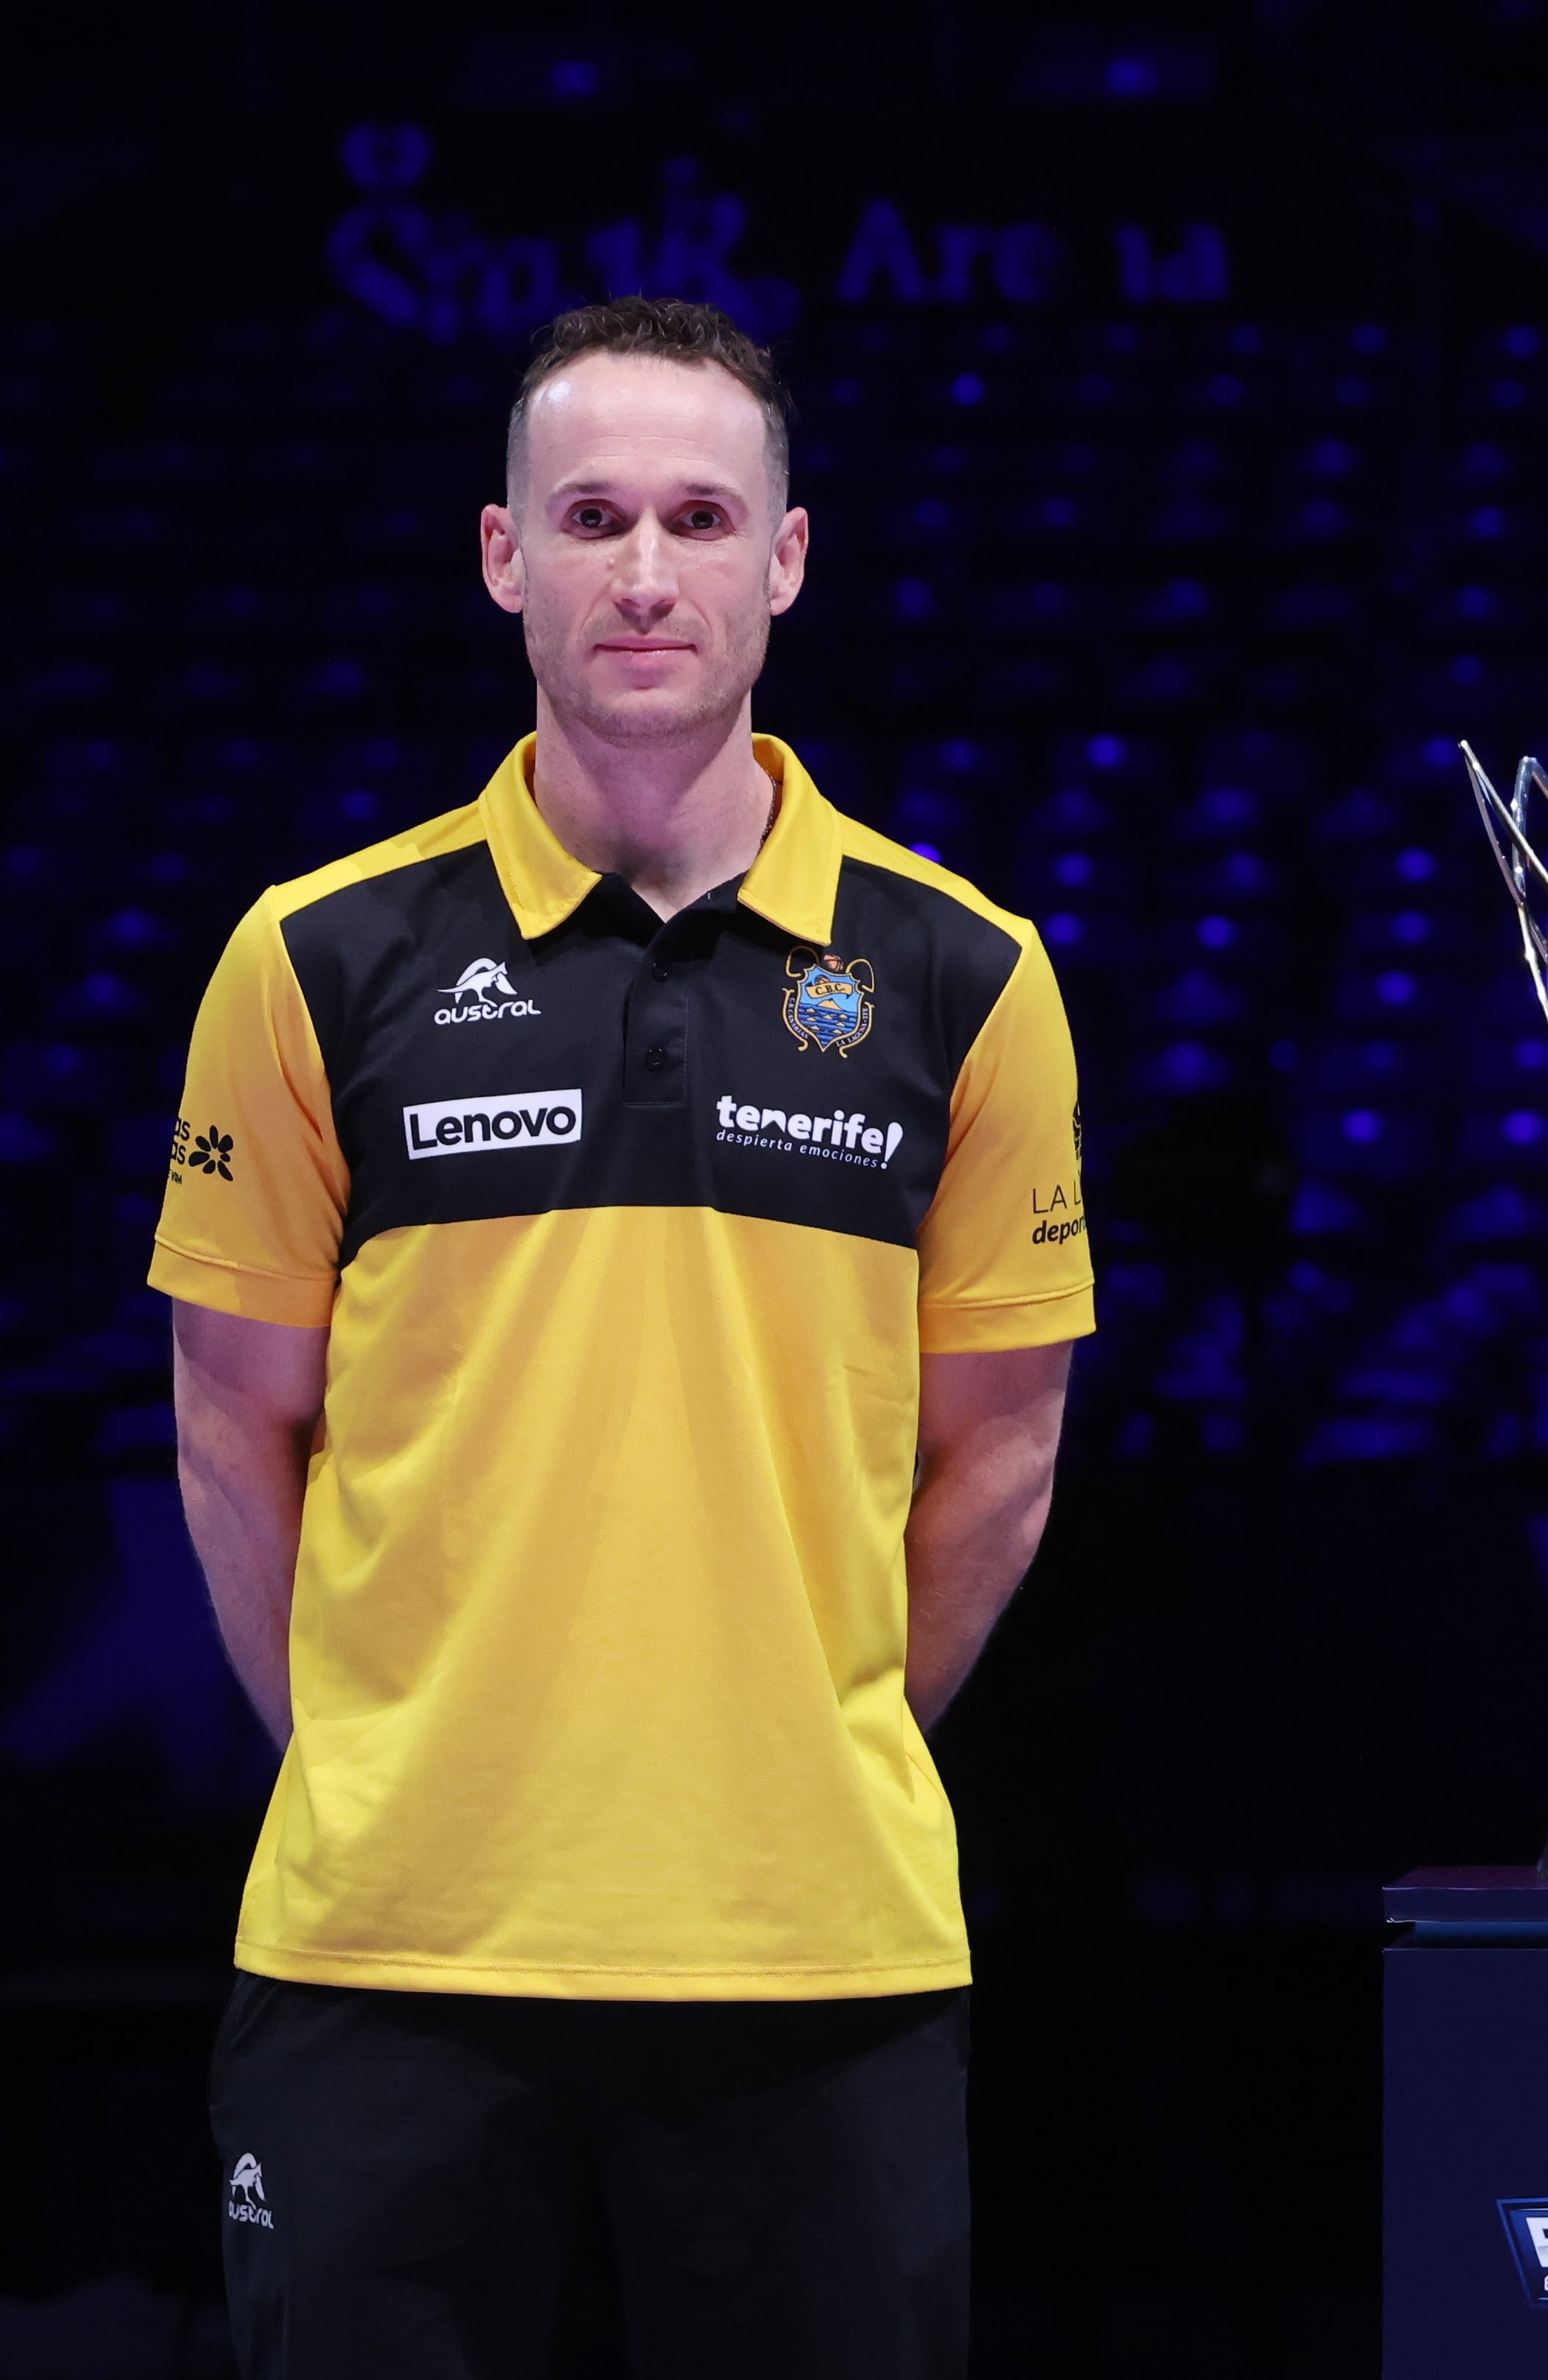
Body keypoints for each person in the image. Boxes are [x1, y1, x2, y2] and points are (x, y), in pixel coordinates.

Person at [158, 295, 1094, 2376]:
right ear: (506, 557)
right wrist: (377, 1772)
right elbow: (230, 1433)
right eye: (592, 518)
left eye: (700, 517)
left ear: (788, 559)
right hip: (386, 1965)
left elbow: (1002, 1458)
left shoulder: (968, 977)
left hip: (817, 1964)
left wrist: (804, 1740)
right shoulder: (313, 958)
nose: (646, 571)